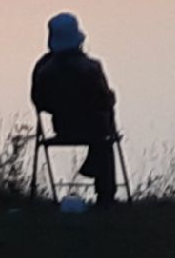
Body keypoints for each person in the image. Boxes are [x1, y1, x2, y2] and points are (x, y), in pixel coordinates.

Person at [31, 12, 118, 205]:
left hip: (62, 127)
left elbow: (38, 101)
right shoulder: (90, 67)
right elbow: (103, 100)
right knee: (104, 136)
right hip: (92, 129)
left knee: (101, 130)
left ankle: (91, 167)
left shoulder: (43, 68)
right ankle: (105, 195)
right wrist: (111, 98)